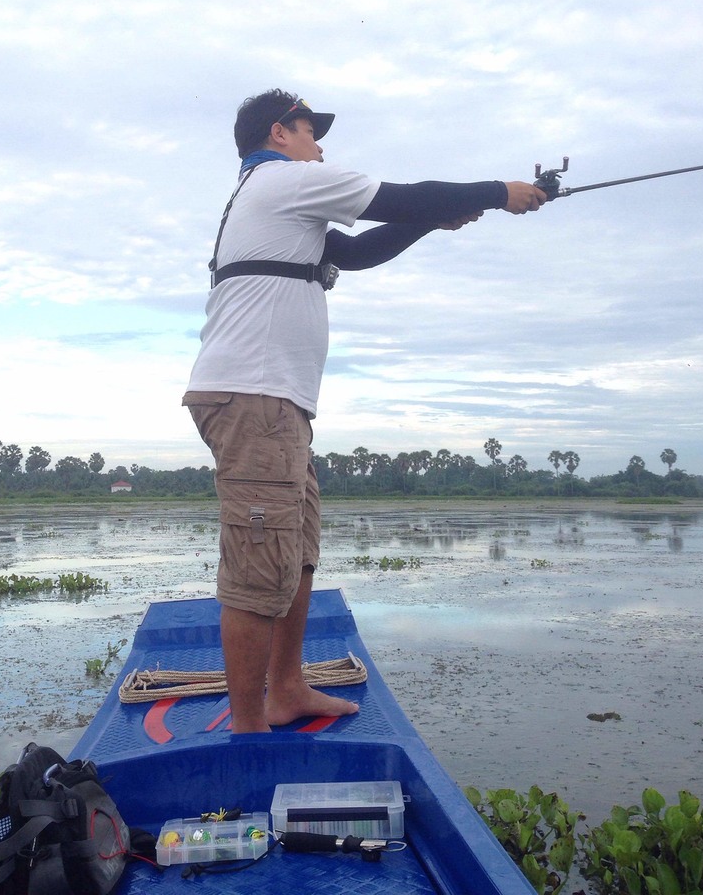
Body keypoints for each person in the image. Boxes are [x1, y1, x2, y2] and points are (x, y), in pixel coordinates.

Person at [183, 89, 546, 733]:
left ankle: (287, 688)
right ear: (279, 133)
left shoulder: (279, 201)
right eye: (309, 130)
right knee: (258, 559)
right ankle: (247, 729)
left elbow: (356, 253)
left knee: (295, 552)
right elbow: (398, 196)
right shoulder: (285, 180)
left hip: (275, 401)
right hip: (253, 396)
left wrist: (439, 218)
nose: (320, 145)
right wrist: (495, 191)